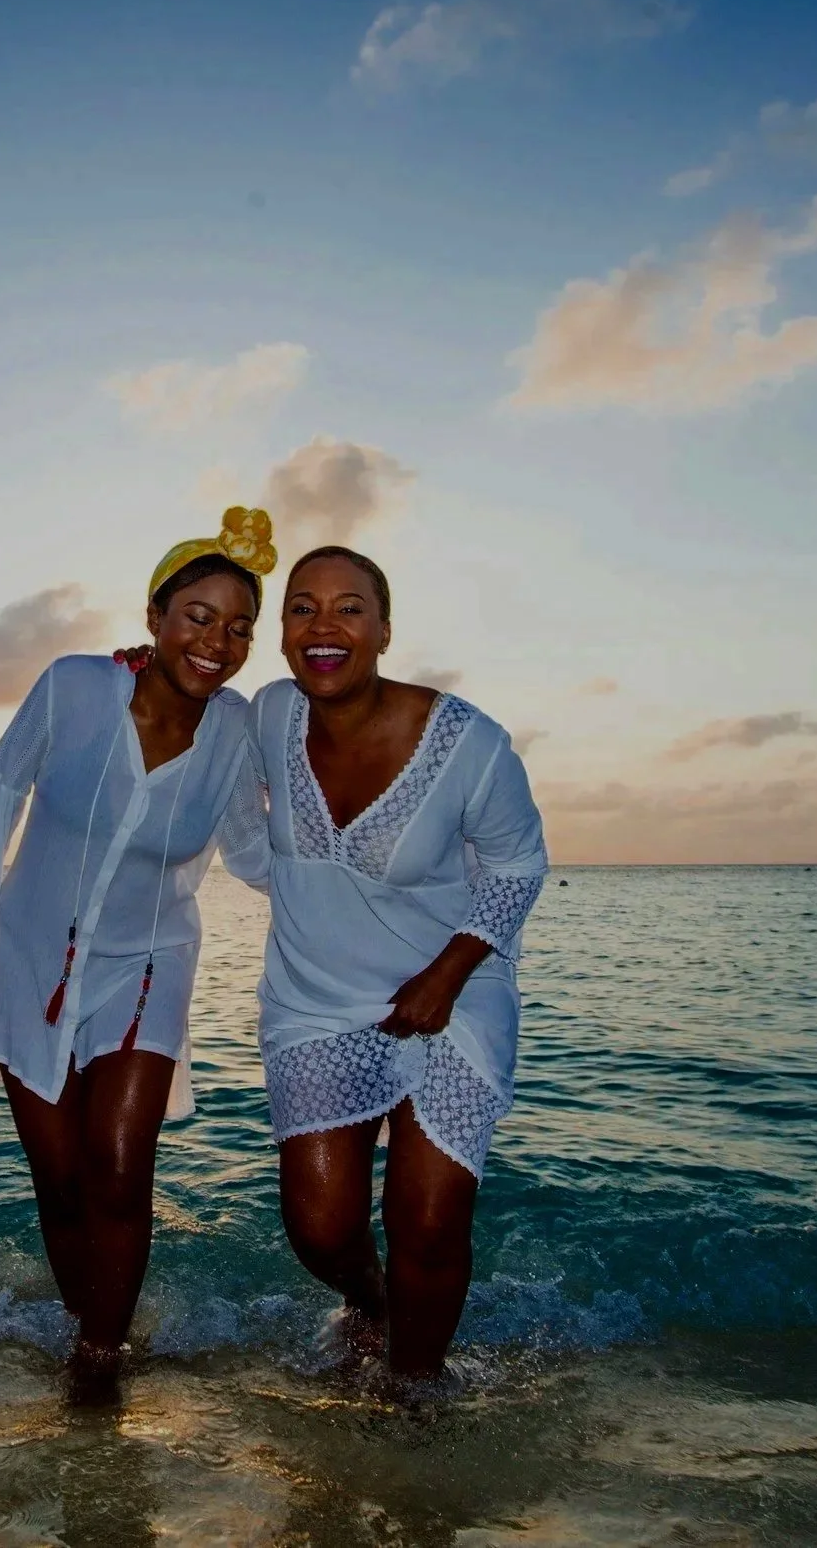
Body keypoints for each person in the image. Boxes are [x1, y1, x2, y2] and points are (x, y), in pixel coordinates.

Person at [0, 507, 277, 1390]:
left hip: (151, 960)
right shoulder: (71, 687)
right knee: (60, 1179)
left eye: (240, 627)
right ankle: (86, 1322)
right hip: (30, 960)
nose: (218, 640)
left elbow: (254, 850)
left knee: (116, 1161)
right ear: (154, 615)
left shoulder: (236, 731)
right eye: (199, 614)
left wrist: (367, 895)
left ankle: (102, 1358)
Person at [249, 546, 548, 1381]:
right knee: (318, 1228)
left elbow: (520, 865)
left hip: (451, 987)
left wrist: (447, 973)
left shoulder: (469, 743)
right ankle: (376, 1305)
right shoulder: (268, 716)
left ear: (384, 628)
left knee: (426, 1219)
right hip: (316, 998)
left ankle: (414, 1390)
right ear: (282, 635)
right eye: (302, 607)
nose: (324, 626)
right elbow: (186, 726)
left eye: (349, 607)